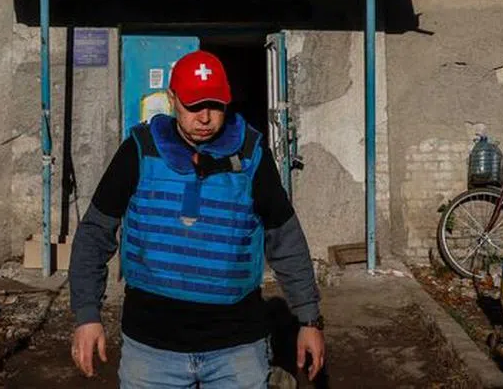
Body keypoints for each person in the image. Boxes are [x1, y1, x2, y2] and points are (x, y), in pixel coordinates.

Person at [69, 49, 325, 388]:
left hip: (237, 350)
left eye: (215, 105)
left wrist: (309, 320)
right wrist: (87, 315)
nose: (205, 118)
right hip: (151, 350)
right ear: (173, 99)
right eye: (193, 105)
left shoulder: (252, 157)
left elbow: (286, 239)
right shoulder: (138, 151)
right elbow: (94, 234)